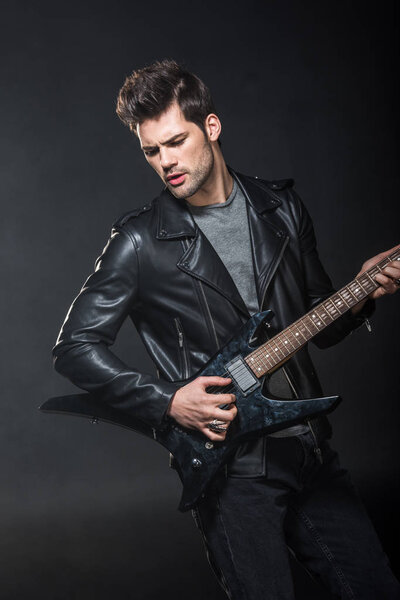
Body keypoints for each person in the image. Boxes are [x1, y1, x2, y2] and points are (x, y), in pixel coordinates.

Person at [52, 59, 400, 599]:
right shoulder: (140, 242)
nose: (165, 162)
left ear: (211, 127)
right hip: (232, 473)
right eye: (151, 151)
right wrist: (168, 401)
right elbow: (74, 347)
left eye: (175, 142)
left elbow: (318, 323)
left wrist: (361, 295)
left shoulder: (280, 207)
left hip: (308, 450)